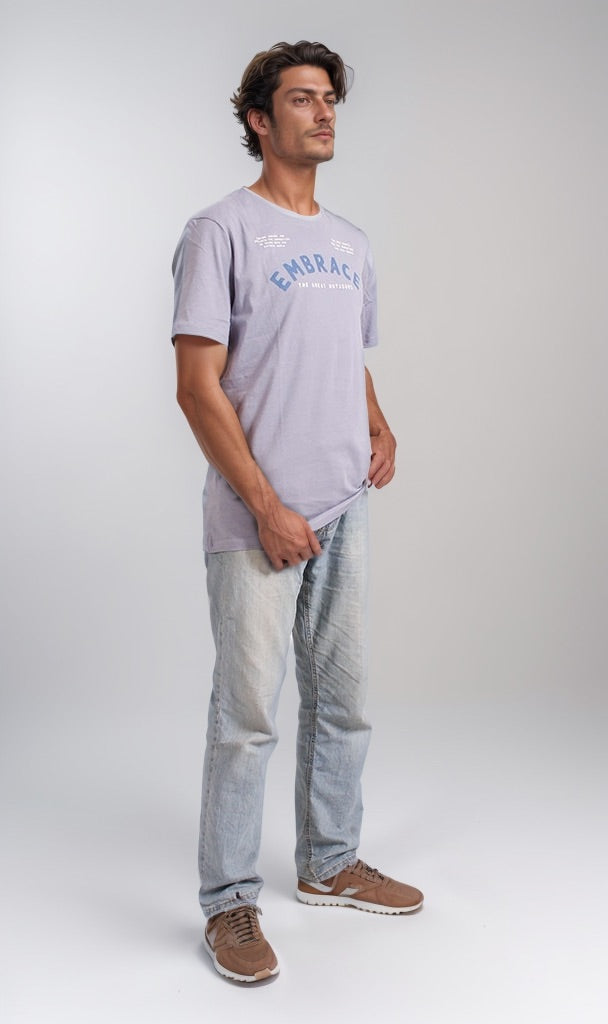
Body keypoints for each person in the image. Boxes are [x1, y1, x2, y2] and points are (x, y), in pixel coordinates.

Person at [171, 39, 423, 984]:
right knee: (247, 717)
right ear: (259, 119)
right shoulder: (220, 232)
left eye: (330, 100)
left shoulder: (350, 242)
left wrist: (377, 423)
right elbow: (197, 387)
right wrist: (268, 506)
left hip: (345, 504)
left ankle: (329, 862)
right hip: (259, 517)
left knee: (344, 704)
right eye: (303, 99)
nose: (323, 114)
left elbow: (346, 353)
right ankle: (228, 902)